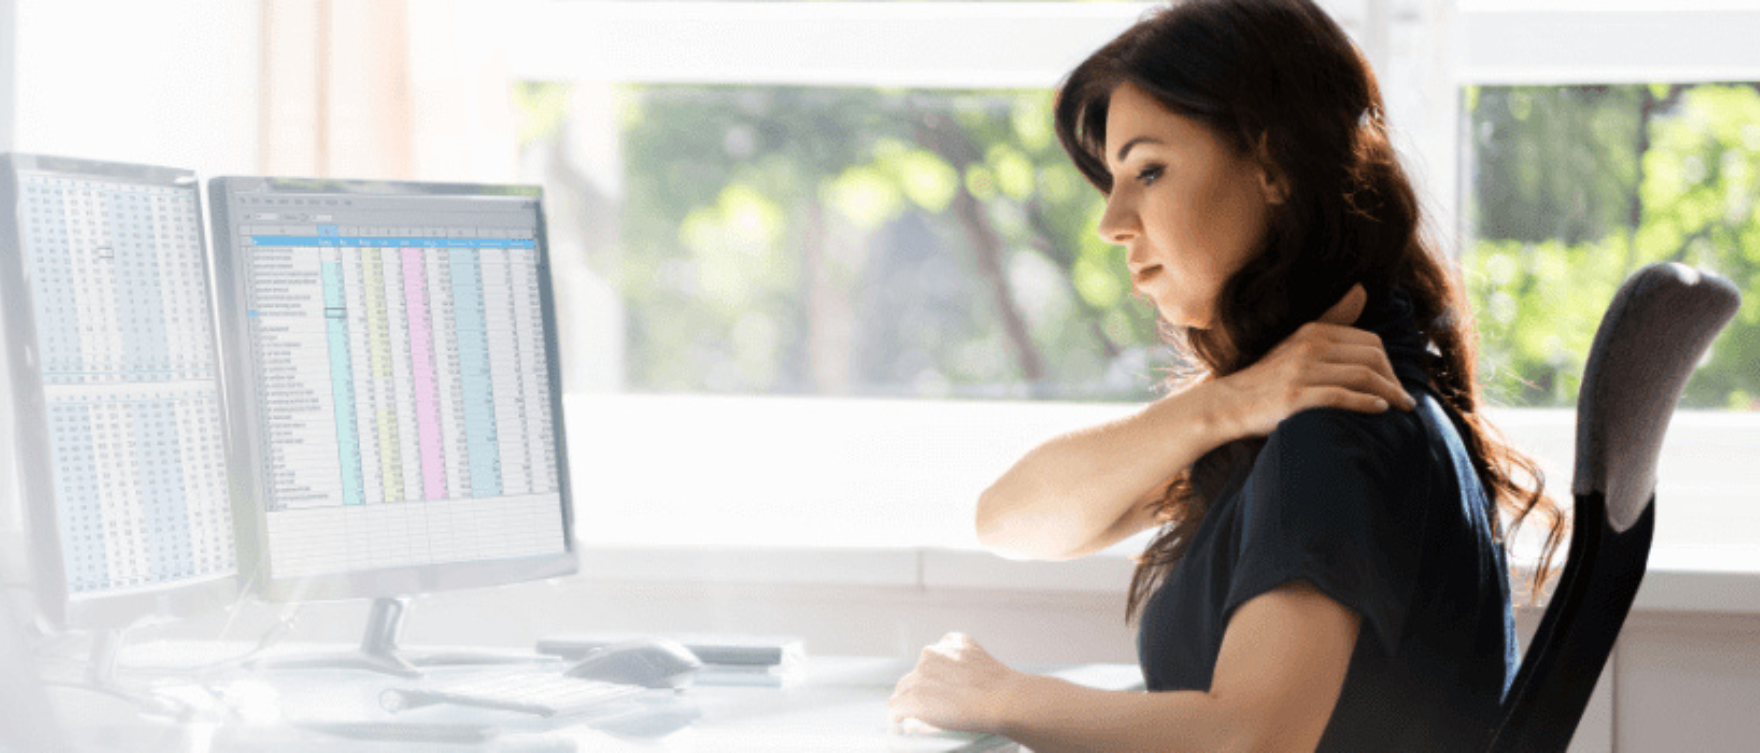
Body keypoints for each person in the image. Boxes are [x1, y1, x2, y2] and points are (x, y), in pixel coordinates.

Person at [886, 0, 1568, 750]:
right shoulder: (1311, 396)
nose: (1112, 222)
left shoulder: (1336, 428)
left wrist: (1006, 697)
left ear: (1273, 168)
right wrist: (1225, 403)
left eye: (1149, 170)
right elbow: (1008, 520)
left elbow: (1253, 736)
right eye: (1112, 181)